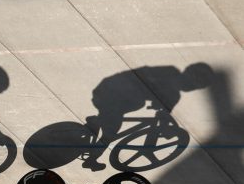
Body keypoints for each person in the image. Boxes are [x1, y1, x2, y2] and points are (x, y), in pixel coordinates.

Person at [83, 63, 213, 171]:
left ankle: (98, 120)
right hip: (112, 92)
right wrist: (167, 128)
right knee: (110, 133)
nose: (193, 87)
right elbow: (146, 80)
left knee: (134, 103)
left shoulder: (173, 90)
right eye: (196, 84)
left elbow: (163, 113)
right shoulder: (169, 75)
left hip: (112, 90)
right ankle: (91, 160)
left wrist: (167, 127)